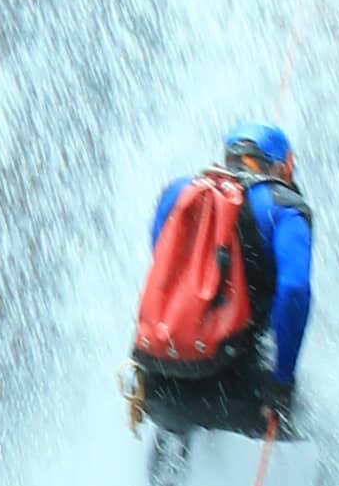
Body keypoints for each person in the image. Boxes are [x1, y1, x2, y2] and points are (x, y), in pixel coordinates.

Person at [128, 124, 313, 445]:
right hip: (238, 394)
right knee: (335, 429)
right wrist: (282, 384)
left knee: (173, 432)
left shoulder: (178, 194)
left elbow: (162, 274)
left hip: (159, 387)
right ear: (286, 166)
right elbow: (294, 291)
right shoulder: (284, 209)